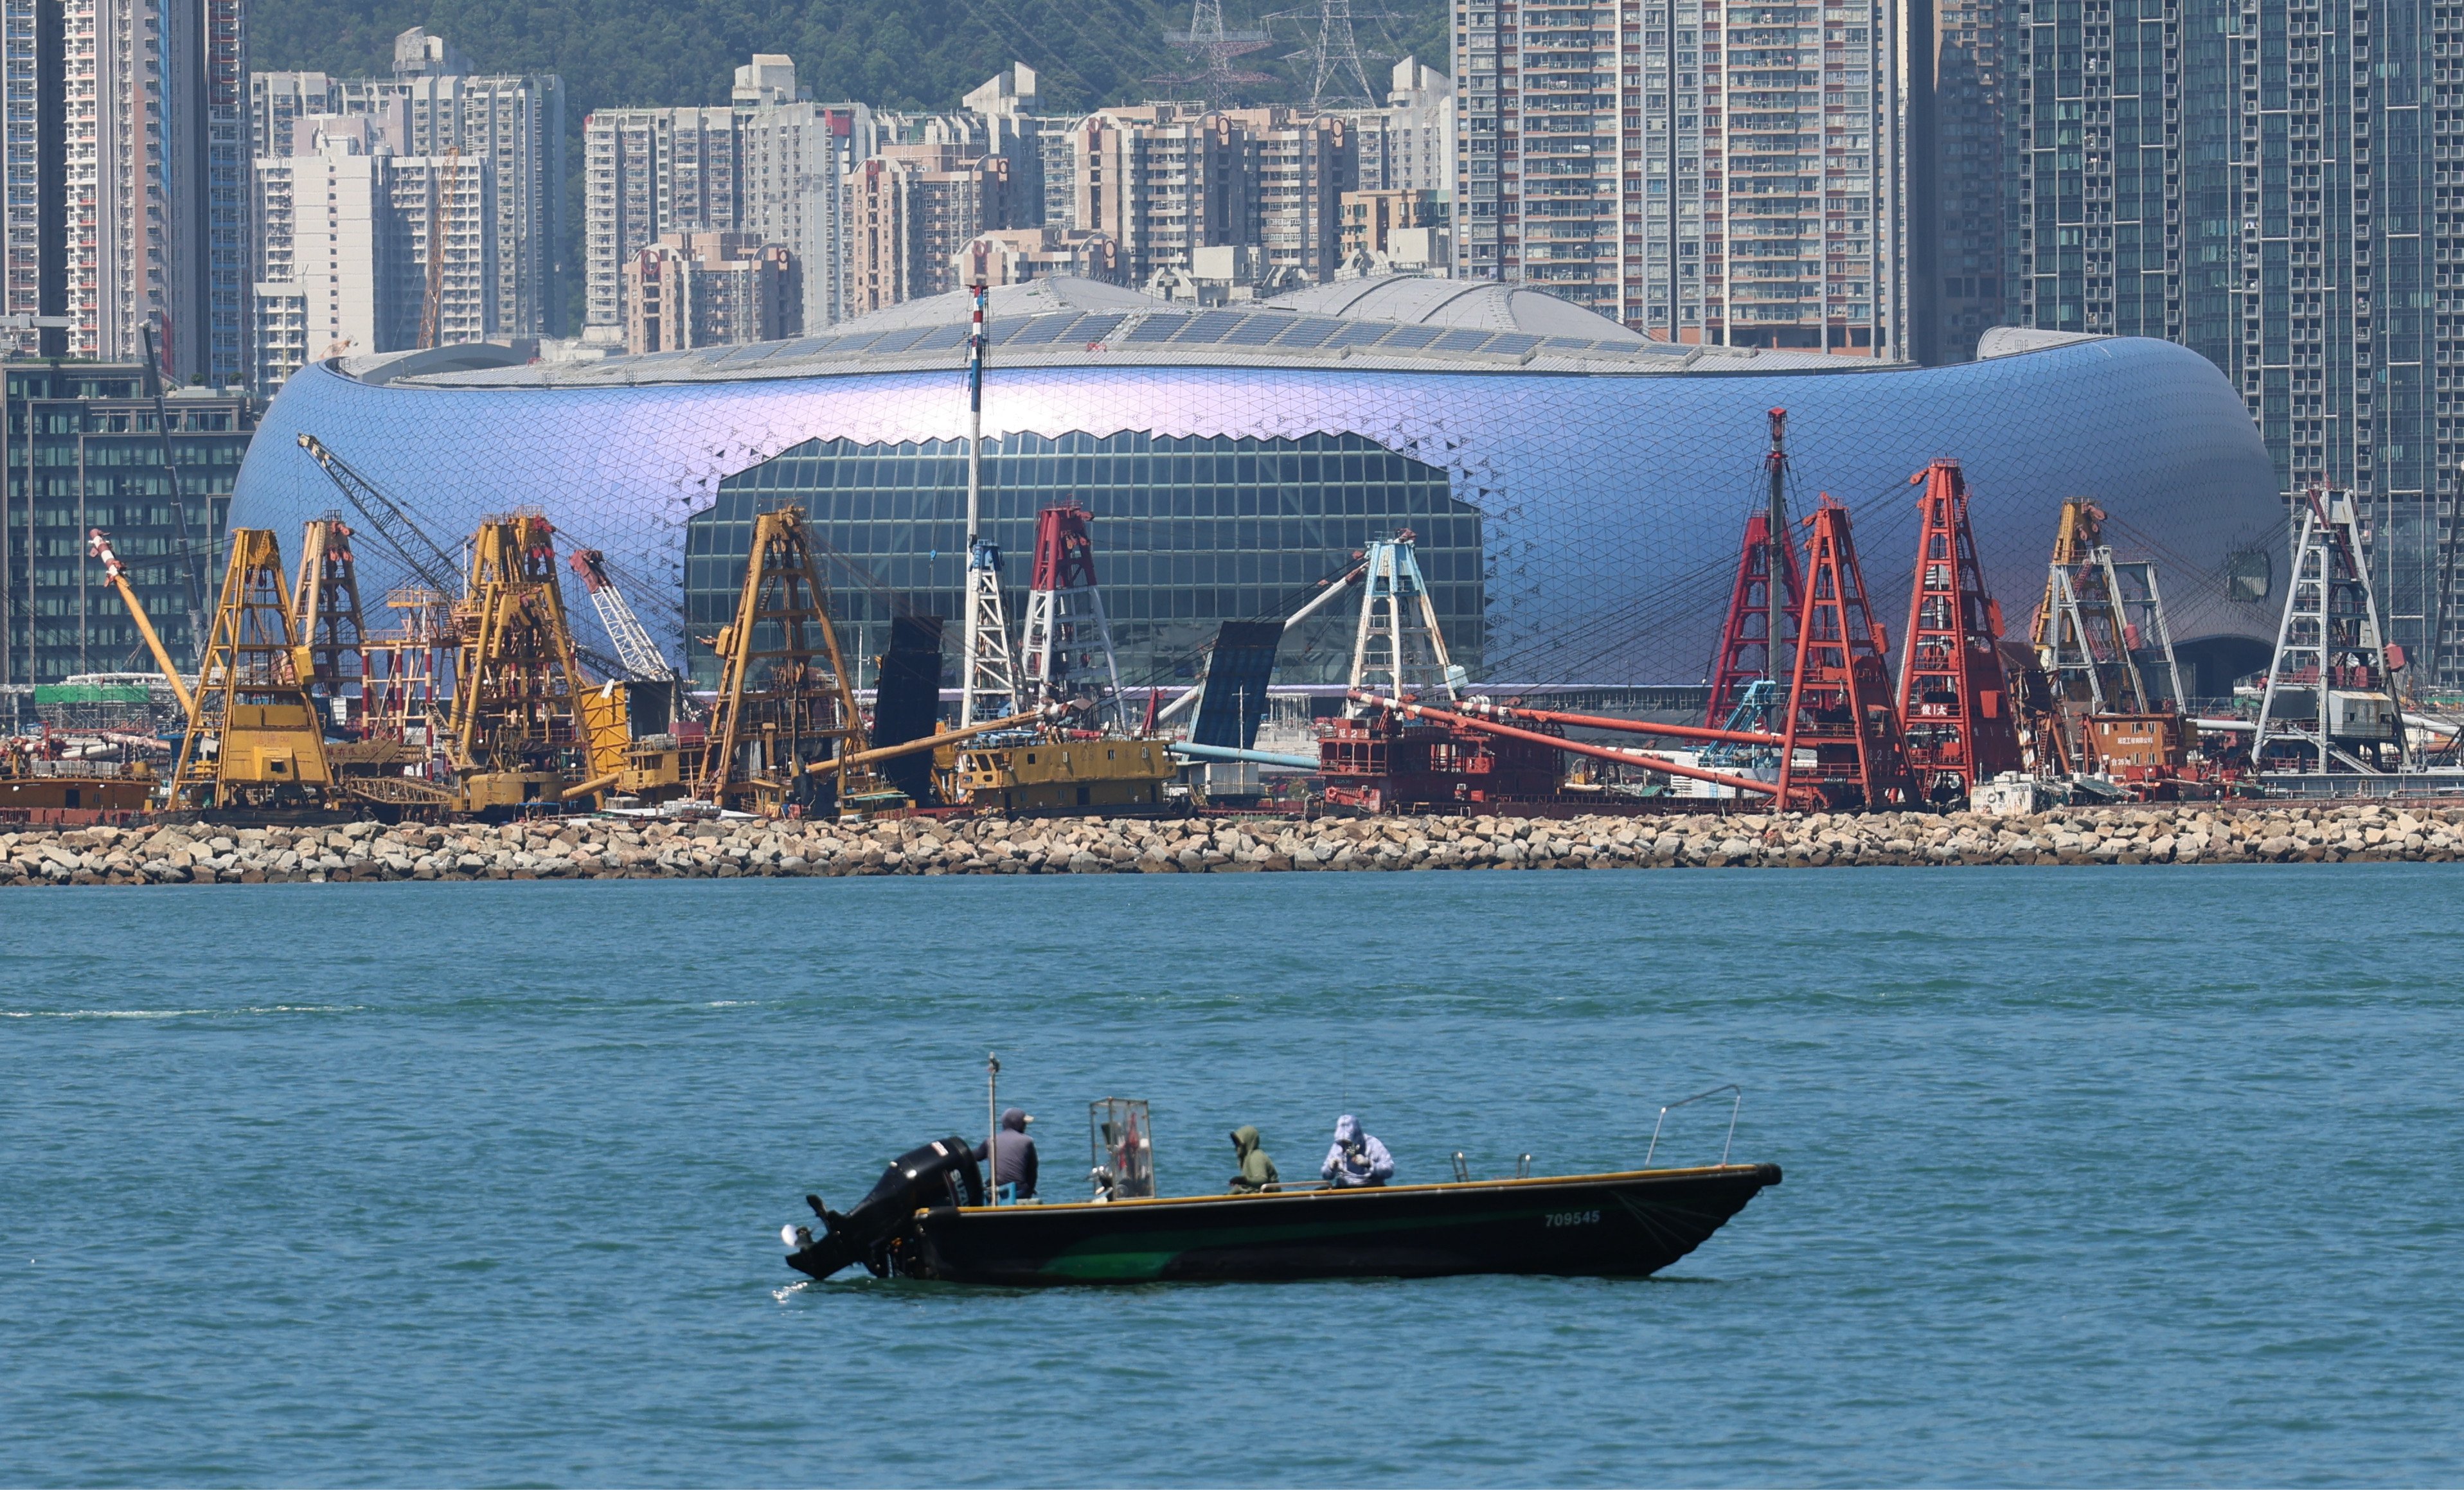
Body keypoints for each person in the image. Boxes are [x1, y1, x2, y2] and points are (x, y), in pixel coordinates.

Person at [974, 1107, 1038, 1202]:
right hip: (1019, 1191)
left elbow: (975, 1157)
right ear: (1018, 1124)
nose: (1025, 1127)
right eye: (1024, 1124)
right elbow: (1032, 1171)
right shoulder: (1027, 1141)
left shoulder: (990, 1141)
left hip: (996, 1190)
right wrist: (1030, 1190)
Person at [1320, 1113, 1393, 1189]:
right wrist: (1330, 1168)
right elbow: (1326, 1176)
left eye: (1348, 1142)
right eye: (1343, 1143)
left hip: (1370, 1188)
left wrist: (1369, 1164)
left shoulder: (1373, 1144)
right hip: (1345, 1189)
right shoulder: (1337, 1147)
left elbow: (1389, 1171)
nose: (1346, 1146)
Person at [1228, 1126, 1280, 1193]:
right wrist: (1226, 1197)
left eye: (1239, 1144)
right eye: (1236, 1144)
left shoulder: (1256, 1156)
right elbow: (1243, 1188)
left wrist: (1244, 1181)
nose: (1237, 1148)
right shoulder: (1246, 1160)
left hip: (1270, 1199)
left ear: (1246, 1143)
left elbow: (1262, 1181)